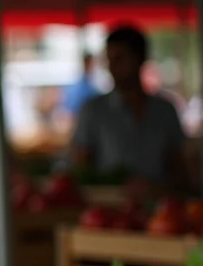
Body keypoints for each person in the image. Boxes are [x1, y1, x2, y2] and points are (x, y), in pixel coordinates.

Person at [71, 25, 189, 195]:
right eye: (109, 60)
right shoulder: (93, 111)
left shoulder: (165, 111)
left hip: (159, 203)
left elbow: (179, 168)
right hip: (109, 206)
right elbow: (82, 170)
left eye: (119, 59)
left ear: (140, 59)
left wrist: (156, 188)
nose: (112, 67)